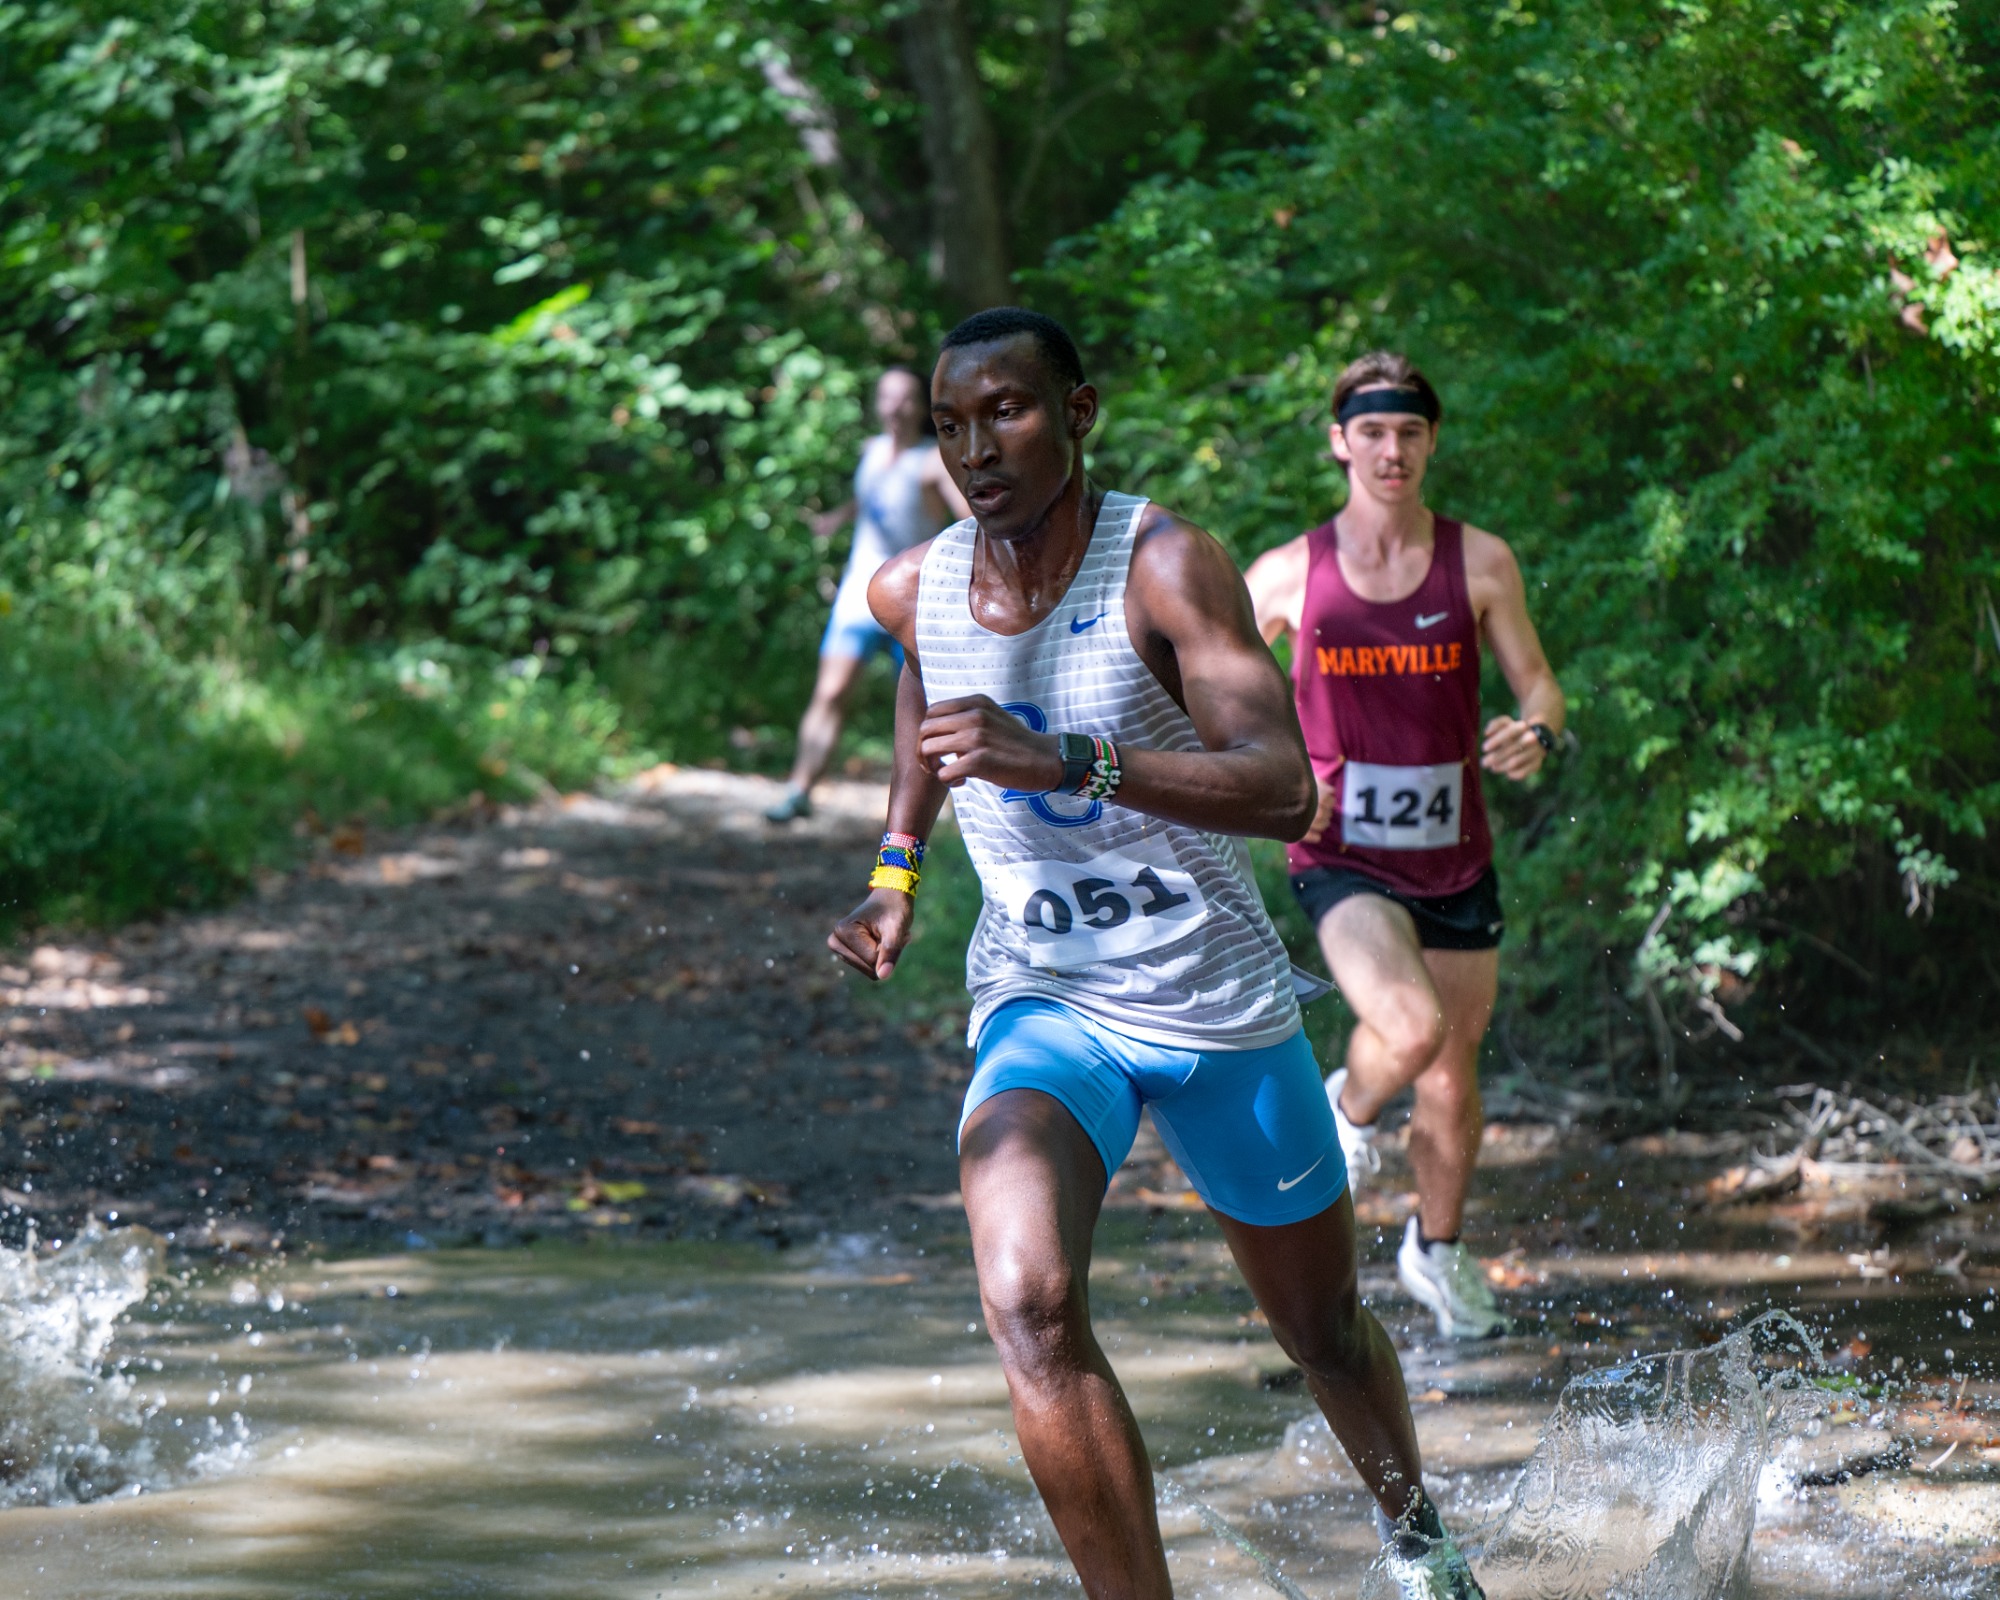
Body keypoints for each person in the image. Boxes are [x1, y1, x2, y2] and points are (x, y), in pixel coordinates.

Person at [829, 308, 1483, 1599]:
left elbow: (1285, 790)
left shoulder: (1165, 565)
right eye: (953, 426)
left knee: (1325, 1332)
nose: (977, 449)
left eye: (1007, 412)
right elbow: (924, 697)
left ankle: (1420, 1539)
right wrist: (895, 872)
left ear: (1077, 413)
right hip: (1043, 999)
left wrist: (1069, 759)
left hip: (1216, 1007)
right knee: (1027, 1303)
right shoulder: (915, 586)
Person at [1245, 352, 1565, 1342]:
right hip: (1338, 853)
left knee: (1451, 1067)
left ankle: (1436, 1248)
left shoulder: (1479, 561)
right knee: (1411, 1027)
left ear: (1429, 442)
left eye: (1409, 433)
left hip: (1455, 855)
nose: (1391, 450)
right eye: (1372, 432)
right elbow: (1205, 694)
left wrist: (1535, 732)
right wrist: (1272, 784)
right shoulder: (1289, 574)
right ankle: (1343, 1111)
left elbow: (1540, 687)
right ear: (1339, 441)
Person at [765, 368, 969, 822]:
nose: (896, 407)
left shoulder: (933, 461)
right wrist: (837, 518)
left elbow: (972, 522)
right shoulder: (871, 452)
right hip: (857, 598)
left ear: (921, 407)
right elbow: (872, 498)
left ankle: (959, 812)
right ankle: (798, 791)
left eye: (907, 398)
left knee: (932, 711)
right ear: (877, 404)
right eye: (888, 398)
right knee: (830, 691)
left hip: (912, 605)